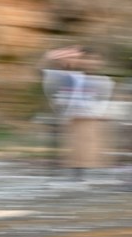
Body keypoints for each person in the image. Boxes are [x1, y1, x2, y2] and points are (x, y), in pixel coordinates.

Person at [41, 45, 115, 181]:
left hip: (92, 119)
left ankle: (84, 172)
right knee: (73, 147)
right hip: (72, 118)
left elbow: (104, 100)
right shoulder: (70, 77)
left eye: (95, 59)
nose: (91, 62)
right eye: (86, 59)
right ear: (79, 60)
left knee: (88, 147)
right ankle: (72, 172)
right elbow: (49, 79)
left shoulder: (103, 81)